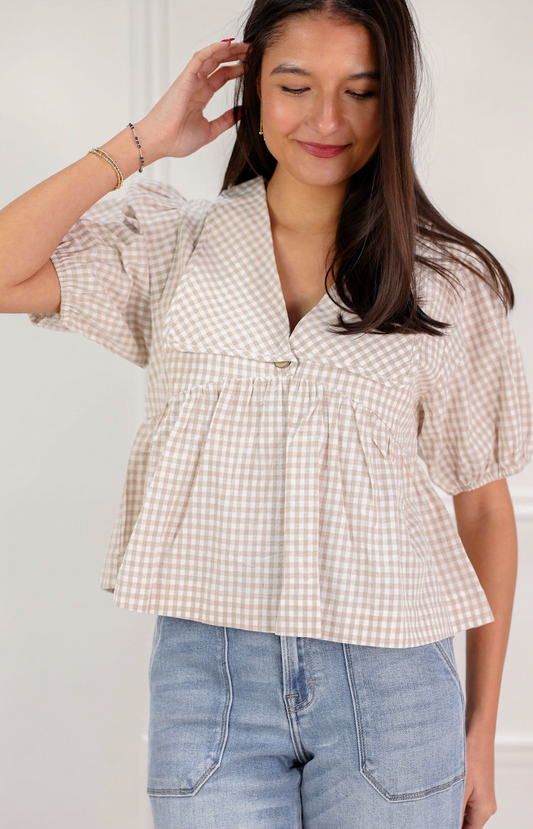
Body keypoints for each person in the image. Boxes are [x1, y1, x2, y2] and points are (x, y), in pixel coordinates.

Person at [1, 1, 532, 827]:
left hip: (392, 684)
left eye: (361, 91)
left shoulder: (447, 283)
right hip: (209, 683)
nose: (327, 120)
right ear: (251, 90)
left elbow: (485, 508)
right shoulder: (172, 246)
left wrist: (480, 731)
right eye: (294, 86)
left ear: (393, 100)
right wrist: (145, 140)